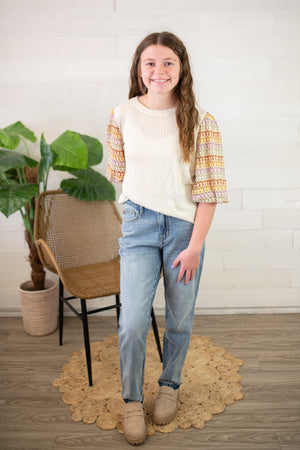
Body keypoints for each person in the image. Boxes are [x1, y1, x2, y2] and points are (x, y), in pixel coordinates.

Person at [106, 31, 228, 445]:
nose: (159, 71)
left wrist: (194, 246)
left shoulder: (201, 121)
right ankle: (130, 400)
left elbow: (209, 190)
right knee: (132, 322)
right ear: (139, 70)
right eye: (150, 63)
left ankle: (169, 385)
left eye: (168, 63)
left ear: (182, 68)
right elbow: (119, 176)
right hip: (138, 226)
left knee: (179, 319)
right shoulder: (121, 114)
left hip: (184, 231)